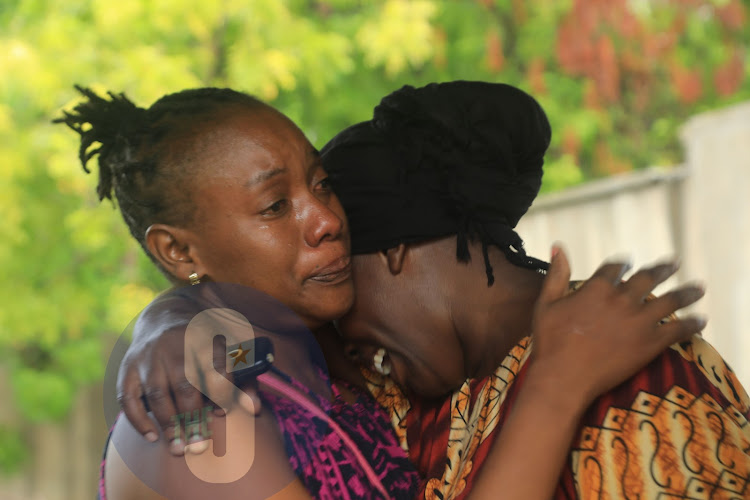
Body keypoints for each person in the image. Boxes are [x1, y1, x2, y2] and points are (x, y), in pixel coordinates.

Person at [59, 83, 710, 500]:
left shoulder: (285, 361)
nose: (327, 219)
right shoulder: (196, 420)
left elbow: (221, 345)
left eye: (319, 184)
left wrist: (164, 322)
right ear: (177, 250)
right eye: (275, 206)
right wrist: (555, 386)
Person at [320, 81, 750, 499]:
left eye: (335, 273)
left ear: (392, 248)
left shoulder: (631, 371)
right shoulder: (409, 402)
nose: (336, 323)